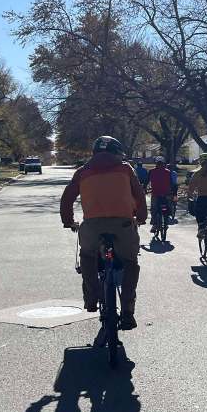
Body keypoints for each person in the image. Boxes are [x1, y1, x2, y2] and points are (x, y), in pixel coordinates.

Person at [60, 136, 147, 328]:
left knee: (87, 257)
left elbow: (67, 198)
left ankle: (92, 299)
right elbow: (139, 195)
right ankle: (127, 312)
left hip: (93, 225)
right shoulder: (126, 169)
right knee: (130, 263)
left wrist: (68, 221)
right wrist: (141, 217)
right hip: (122, 224)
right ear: (117, 152)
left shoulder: (82, 172)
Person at [146, 157, 173, 232]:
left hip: (156, 193)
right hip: (165, 194)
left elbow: (146, 181)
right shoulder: (167, 172)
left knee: (154, 209)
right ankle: (167, 220)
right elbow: (171, 183)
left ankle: (155, 224)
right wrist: (172, 192)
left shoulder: (151, 171)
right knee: (168, 206)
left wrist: (144, 188)